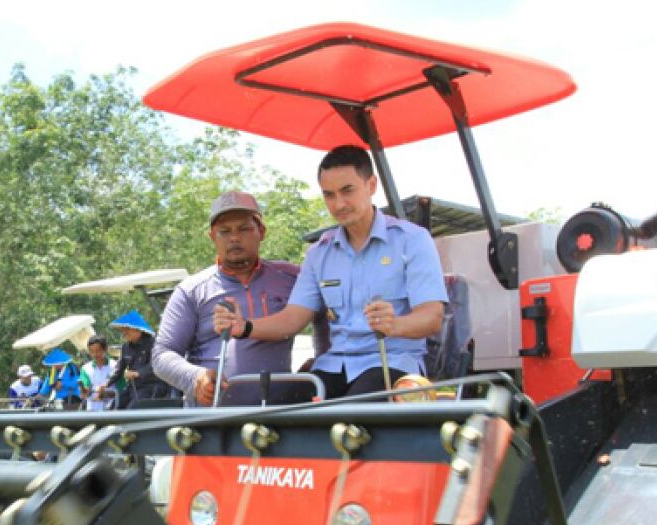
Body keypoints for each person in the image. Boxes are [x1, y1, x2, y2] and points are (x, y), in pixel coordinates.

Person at [214, 146, 446, 398]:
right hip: (333, 366)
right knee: (278, 410)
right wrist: (244, 327)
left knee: (349, 414)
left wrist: (395, 324)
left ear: (371, 185)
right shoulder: (319, 252)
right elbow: (293, 318)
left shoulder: (412, 240)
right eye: (329, 195)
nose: (339, 204)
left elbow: (432, 317)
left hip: (392, 363)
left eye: (347, 191)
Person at [154, 190, 326, 406]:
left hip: (280, 416)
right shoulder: (191, 290)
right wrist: (194, 376)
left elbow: (329, 317)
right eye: (225, 231)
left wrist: (321, 362)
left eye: (244, 228)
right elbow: (162, 354)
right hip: (211, 419)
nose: (234, 238)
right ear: (212, 237)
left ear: (261, 231)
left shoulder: (293, 277)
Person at [106, 310, 169, 408]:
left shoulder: (155, 343)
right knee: (113, 408)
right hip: (133, 387)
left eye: (127, 329)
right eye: (122, 329)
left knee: (132, 410)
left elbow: (158, 364)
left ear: (138, 330)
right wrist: (106, 383)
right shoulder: (125, 347)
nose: (124, 332)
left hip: (153, 386)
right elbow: (118, 369)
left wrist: (138, 373)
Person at [78, 335, 120, 411]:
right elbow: (86, 388)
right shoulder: (85, 369)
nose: (95, 354)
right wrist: (84, 391)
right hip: (92, 410)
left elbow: (121, 389)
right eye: (92, 351)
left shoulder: (116, 366)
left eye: (98, 350)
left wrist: (105, 393)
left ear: (105, 349)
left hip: (113, 409)